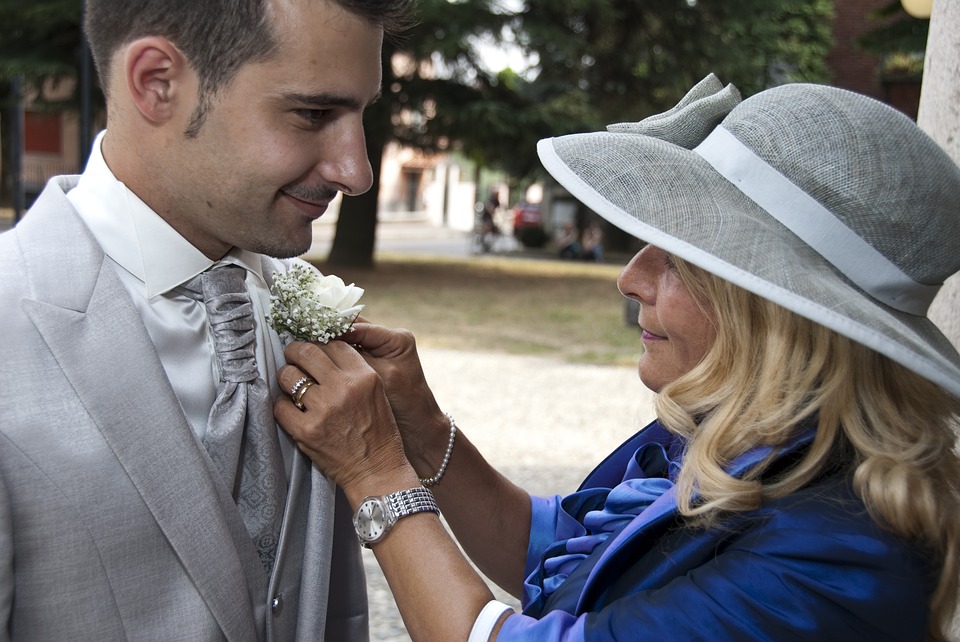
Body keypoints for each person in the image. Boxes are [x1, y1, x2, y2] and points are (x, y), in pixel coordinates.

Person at [274, 74, 960, 640]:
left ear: (776, 315)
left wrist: (376, 473)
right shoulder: (756, 437)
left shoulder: (837, 551)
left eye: (679, 259)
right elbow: (550, 552)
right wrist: (419, 429)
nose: (630, 279)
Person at [0, 0, 413, 639]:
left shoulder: (297, 308)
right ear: (157, 83)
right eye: (312, 113)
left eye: (363, 114)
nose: (354, 172)